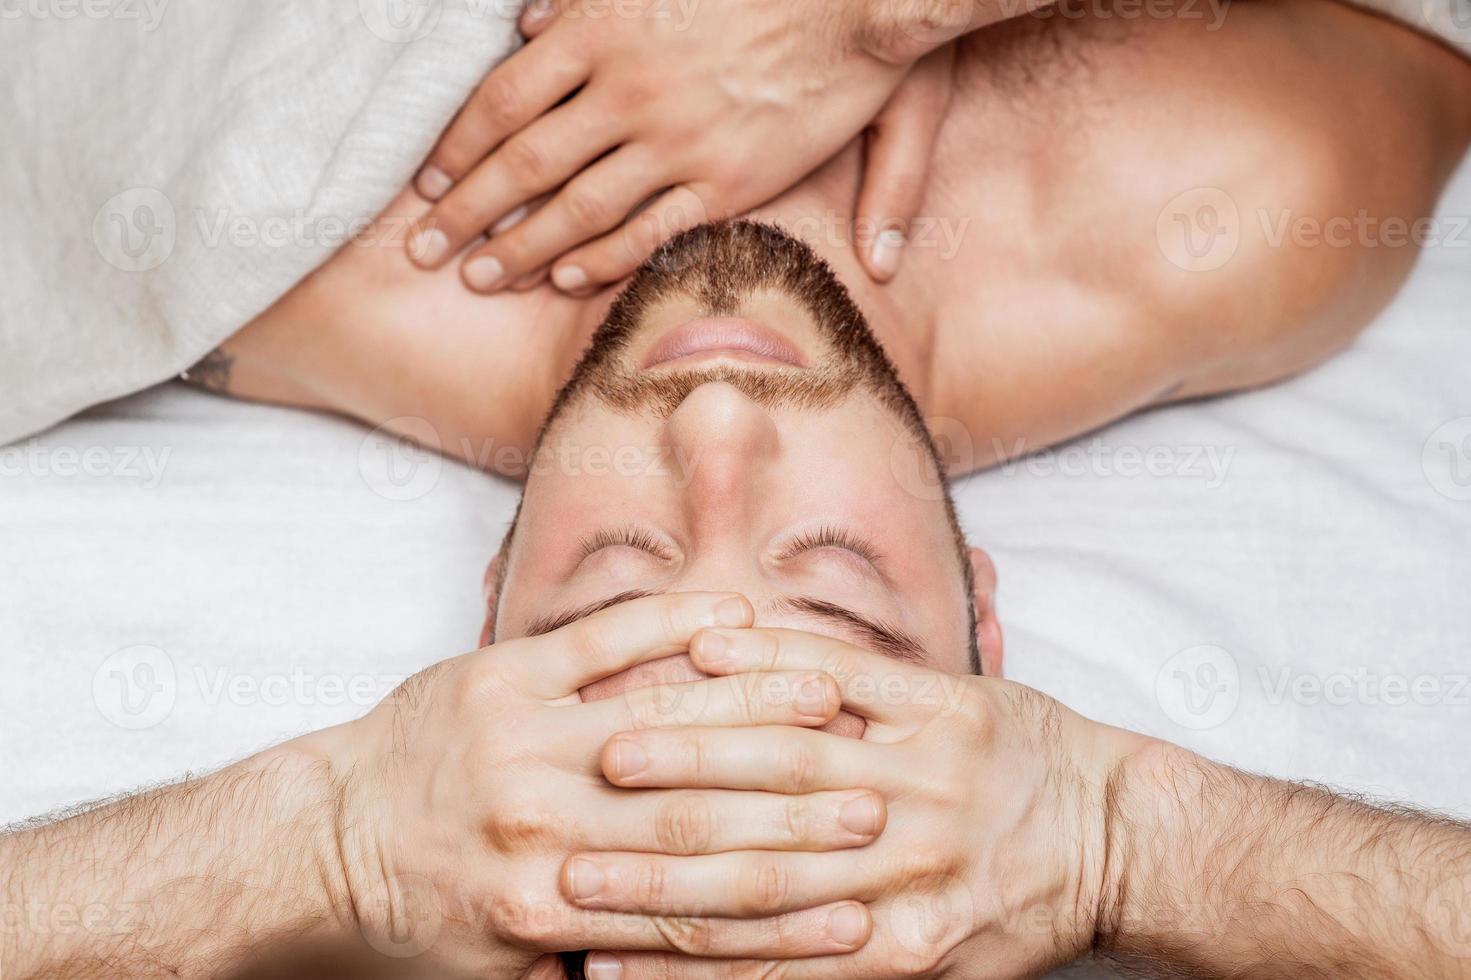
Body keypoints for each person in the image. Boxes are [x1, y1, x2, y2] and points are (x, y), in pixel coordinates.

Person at [4, 3, 1470, 979]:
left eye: (620, 588)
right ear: (983, 611)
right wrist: (1139, 835)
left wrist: (323, 833)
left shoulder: (196, 222)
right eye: (833, 582)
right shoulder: (1235, 209)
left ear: (491, 605)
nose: (720, 437)